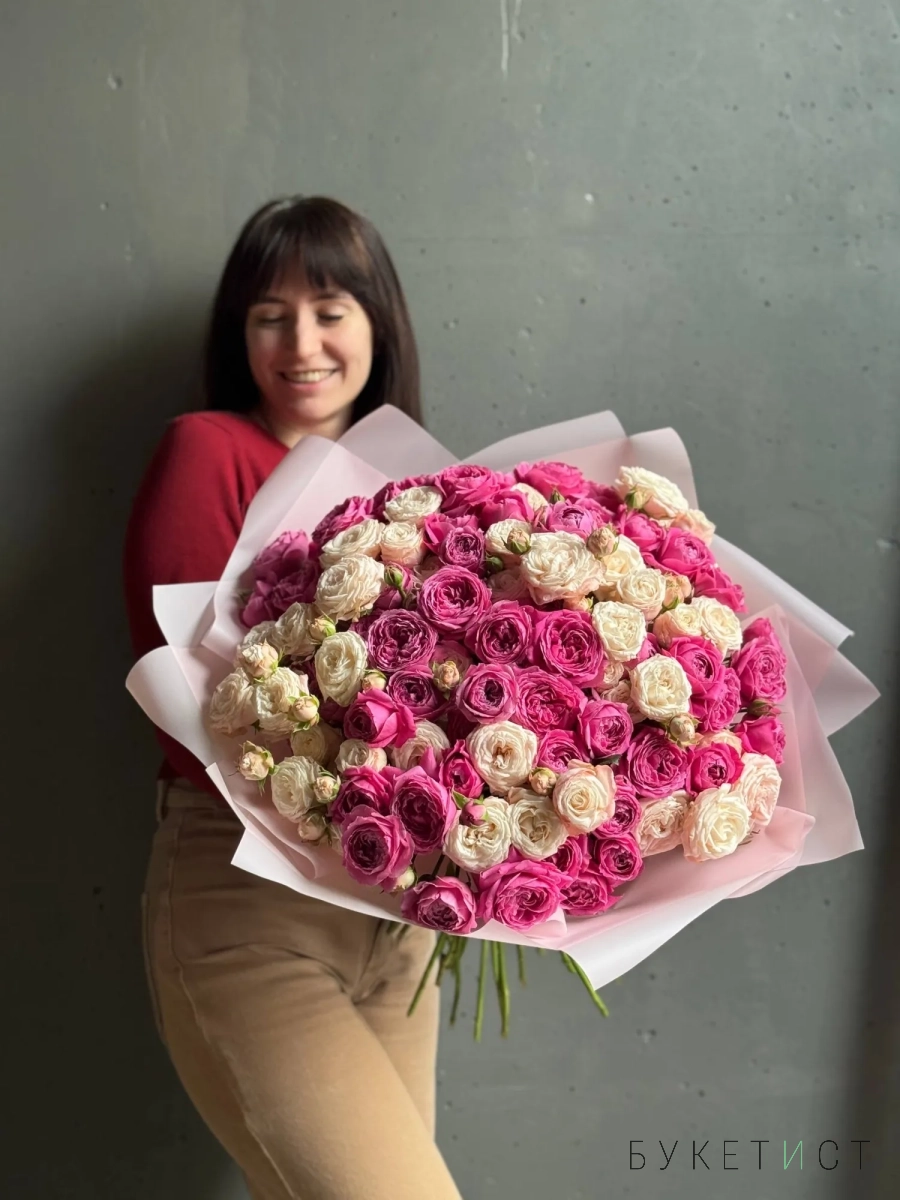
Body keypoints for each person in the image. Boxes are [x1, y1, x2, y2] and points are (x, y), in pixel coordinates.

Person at [124, 196, 464, 1200]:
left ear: (377, 324)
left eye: (329, 311)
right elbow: (201, 714)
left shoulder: (420, 489)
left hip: (400, 925)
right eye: (270, 316)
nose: (302, 344)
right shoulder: (208, 452)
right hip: (252, 908)